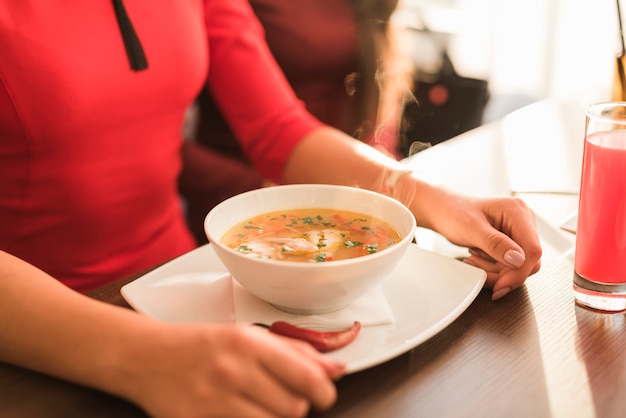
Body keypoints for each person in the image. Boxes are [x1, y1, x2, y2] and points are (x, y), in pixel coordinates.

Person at [0, 2, 541, 418]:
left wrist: (431, 199)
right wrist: (139, 356)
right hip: (41, 335)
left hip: (188, 290)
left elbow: (277, 127)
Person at [179, 0, 411, 244]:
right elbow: (277, 129)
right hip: (249, 191)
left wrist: (382, 174)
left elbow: (380, 69)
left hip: (334, 184)